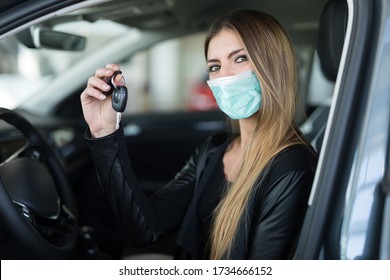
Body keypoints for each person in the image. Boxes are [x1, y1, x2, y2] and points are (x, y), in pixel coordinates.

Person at [80, 9, 318, 260]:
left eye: (239, 59)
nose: (223, 76)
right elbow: (145, 228)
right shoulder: (214, 150)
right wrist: (104, 131)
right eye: (214, 66)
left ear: (274, 65)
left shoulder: (292, 169)